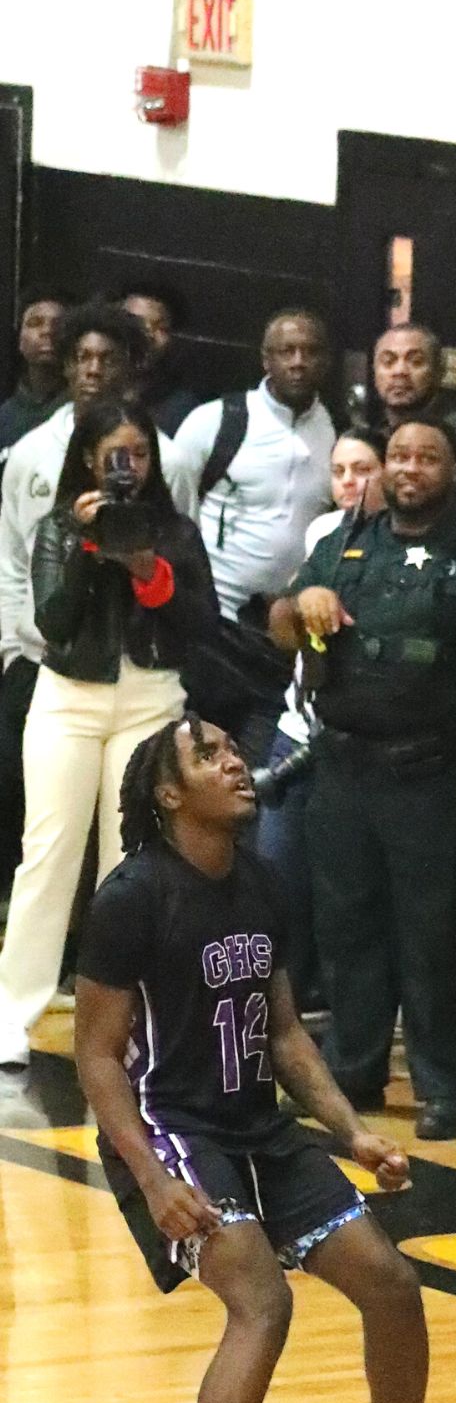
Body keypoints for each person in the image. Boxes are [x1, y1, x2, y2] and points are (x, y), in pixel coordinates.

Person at [75, 715, 456, 1403]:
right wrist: (151, 1177)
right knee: (263, 1301)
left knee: (391, 1282)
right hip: (171, 1131)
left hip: (257, 1125)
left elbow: (286, 1031)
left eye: (230, 747)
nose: (235, 761)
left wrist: (352, 1131)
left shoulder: (259, 881)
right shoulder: (132, 897)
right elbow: (96, 1055)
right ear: (170, 795)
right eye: (209, 756)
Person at [269, 418, 456, 1136]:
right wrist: (300, 608)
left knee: (437, 937)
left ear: (452, 471)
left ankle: (444, 1087)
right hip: (342, 768)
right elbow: (281, 621)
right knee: (348, 928)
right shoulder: (346, 544)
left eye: (426, 457)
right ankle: (355, 1071)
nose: (409, 468)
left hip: (431, 773)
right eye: (398, 456)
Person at [0, 399, 218, 1067]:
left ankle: (126, 1018)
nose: (131, 467)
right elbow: (55, 623)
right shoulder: (63, 527)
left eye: (142, 454)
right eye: (117, 454)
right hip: (68, 697)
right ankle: (12, 1014)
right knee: (49, 854)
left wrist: (148, 570)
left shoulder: (175, 530)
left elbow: (199, 622)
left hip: (149, 699)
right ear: (90, 458)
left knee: (130, 865)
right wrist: (91, 549)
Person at [256, 428, 388, 1007]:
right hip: (298, 729)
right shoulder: (321, 532)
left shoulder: (408, 539)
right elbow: (283, 627)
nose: (349, 483)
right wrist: (301, 605)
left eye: (363, 469)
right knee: (276, 875)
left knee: (349, 895)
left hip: (361, 739)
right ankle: (281, 1009)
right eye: (339, 471)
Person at [171, 310, 336, 767]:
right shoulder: (216, 421)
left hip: (280, 643)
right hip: (211, 633)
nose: (298, 361)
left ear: (326, 361)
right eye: (286, 351)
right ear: (266, 359)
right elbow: (171, 517)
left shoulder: (337, 435)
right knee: (191, 771)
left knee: (256, 782)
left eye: (310, 351)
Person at [0, 286, 70, 470]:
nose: (47, 331)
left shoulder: (80, 411)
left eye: (58, 324)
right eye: (35, 323)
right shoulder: (5, 417)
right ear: (20, 341)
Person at [120, 281, 201, 437]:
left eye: (161, 328)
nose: (148, 334)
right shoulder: (86, 390)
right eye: (138, 323)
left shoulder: (183, 409)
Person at [371, 325, 456, 442]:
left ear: (439, 371)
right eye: (388, 361)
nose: (400, 371)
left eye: (415, 361)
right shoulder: (370, 443)